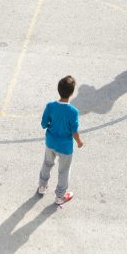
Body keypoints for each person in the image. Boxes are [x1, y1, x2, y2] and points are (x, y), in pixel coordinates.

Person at [37, 75, 83, 206]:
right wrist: (79, 142)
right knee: (64, 170)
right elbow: (74, 131)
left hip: (50, 142)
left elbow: (43, 124)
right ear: (72, 92)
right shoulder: (73, 111)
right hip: (65, 147)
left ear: (58, 89)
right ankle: (60, 196)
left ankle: (42, 186)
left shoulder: (50, 106)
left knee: (47, 163)